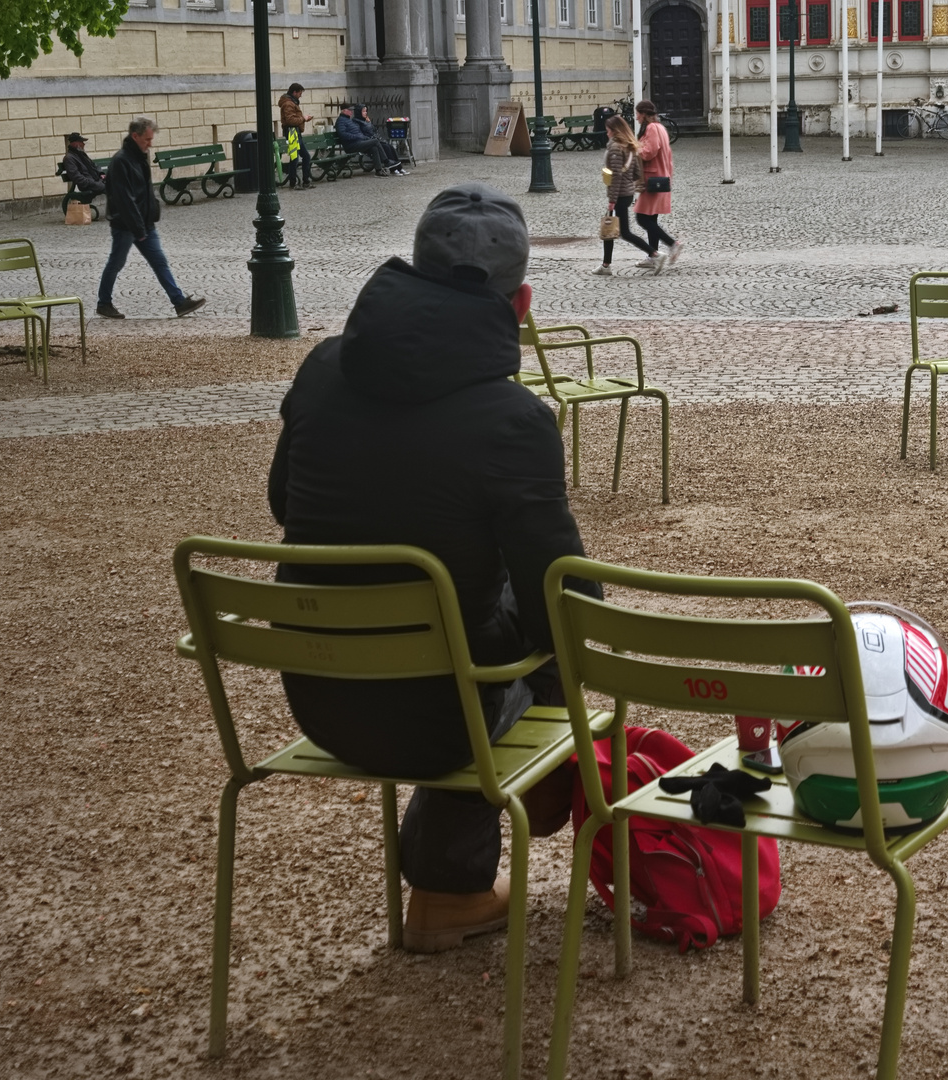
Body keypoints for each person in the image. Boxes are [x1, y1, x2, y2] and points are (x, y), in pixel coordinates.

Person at [267, 183, 598, 951]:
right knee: (556, 612)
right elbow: (566, 600)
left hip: (319, 695)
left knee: (480, 609)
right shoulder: (513, 420)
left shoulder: (321, 368)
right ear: (520, 304)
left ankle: (503, 819)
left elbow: (287, 504)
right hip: (447, 721)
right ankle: (456, 882)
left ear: (412, 270)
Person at [96, 117, 206, 319]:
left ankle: (179, 301)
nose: (150, 143)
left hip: (143, 222)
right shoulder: (121, 161)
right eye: (147, 139)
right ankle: (103, 302)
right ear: (135, 136)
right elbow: (124, 199)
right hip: (126, 224)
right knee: (116, 262)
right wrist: (139, 228)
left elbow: (143, 190)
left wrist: (150, 213)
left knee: (159, 261)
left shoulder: (139, 155)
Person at [594, 116, 649, 276]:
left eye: (608, 129)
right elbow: (637, 173)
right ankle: (605, 265)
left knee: (622, 231)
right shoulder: (630, 146)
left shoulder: (617, 148)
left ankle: (654, 254)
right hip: (627, 193)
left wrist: (612, 200)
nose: (607, 132)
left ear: (615, 130)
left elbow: (616, 175)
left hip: (619, 194)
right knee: (609, 229)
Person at [633, 100, 680, 273]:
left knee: (642, 218)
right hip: (660, 176)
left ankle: (672, 244)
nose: (636, 117)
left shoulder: (652, 128)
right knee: (651, 218)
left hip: (653, 178)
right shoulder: (660, 127)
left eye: (638, 114)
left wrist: (634, 149)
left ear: (644, 114)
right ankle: (652, 255)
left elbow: (650, 151)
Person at [336, 104, 404, 177]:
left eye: (352, 110)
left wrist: (364, 135)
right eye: (349, 110)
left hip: (358, 142)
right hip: (351, 145)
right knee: (375, 141)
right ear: (343, 111)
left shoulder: (349, 120)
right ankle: (386, 161)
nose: (351, 112)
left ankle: (378, 171)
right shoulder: (341, 121)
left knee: (374, 148)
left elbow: (361, 132)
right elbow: (343, 135)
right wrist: (358, 137)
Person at [279, 82, 313, 190]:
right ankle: (293, 183)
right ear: (294, 92)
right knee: (294, 158)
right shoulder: (288, 103)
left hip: (295, 132)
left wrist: (303, 118)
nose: (300, 95)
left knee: (306, 156)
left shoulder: (292, 102)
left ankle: (305, 181)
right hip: (292, 132)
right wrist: (304, 118)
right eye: (299, 93)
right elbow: (290, 120)